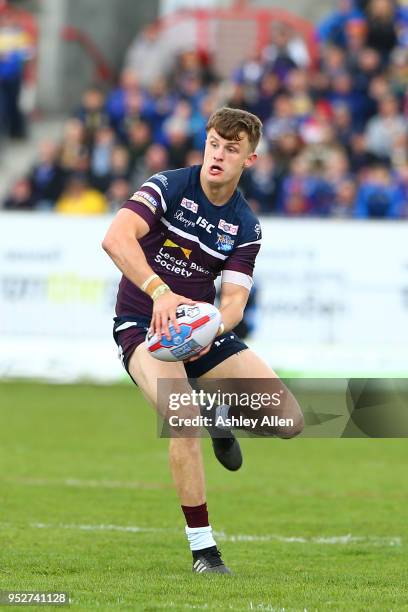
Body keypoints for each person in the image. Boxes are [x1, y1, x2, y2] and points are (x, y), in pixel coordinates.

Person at [103, 107, 304, 574]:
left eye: (231, 149)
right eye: (214, 143)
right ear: (205, 143)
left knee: (290, 420)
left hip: (199, 328)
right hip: (143, 325)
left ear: (249, 160)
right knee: (182, 420)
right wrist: (160, 293)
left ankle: (222, 415)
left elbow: (234, 302)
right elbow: (116, 238)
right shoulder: (169, 186)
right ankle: (204, 552)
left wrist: (212, 324)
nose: (218, 154)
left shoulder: (245, 225)